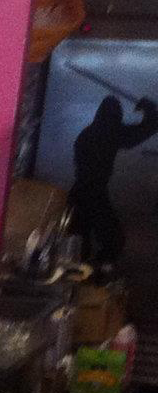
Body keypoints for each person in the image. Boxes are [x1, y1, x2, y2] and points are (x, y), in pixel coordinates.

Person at [70, 94, 158, 268]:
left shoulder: (88, 133)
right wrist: (150, 111)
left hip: (80, 192)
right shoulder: (109, 133)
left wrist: (150, 113)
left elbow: (134, 134)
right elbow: (141, 132)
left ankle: (84, 271)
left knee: (79, 239)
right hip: (94, 193)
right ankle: (97, 270)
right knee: (112, 240)